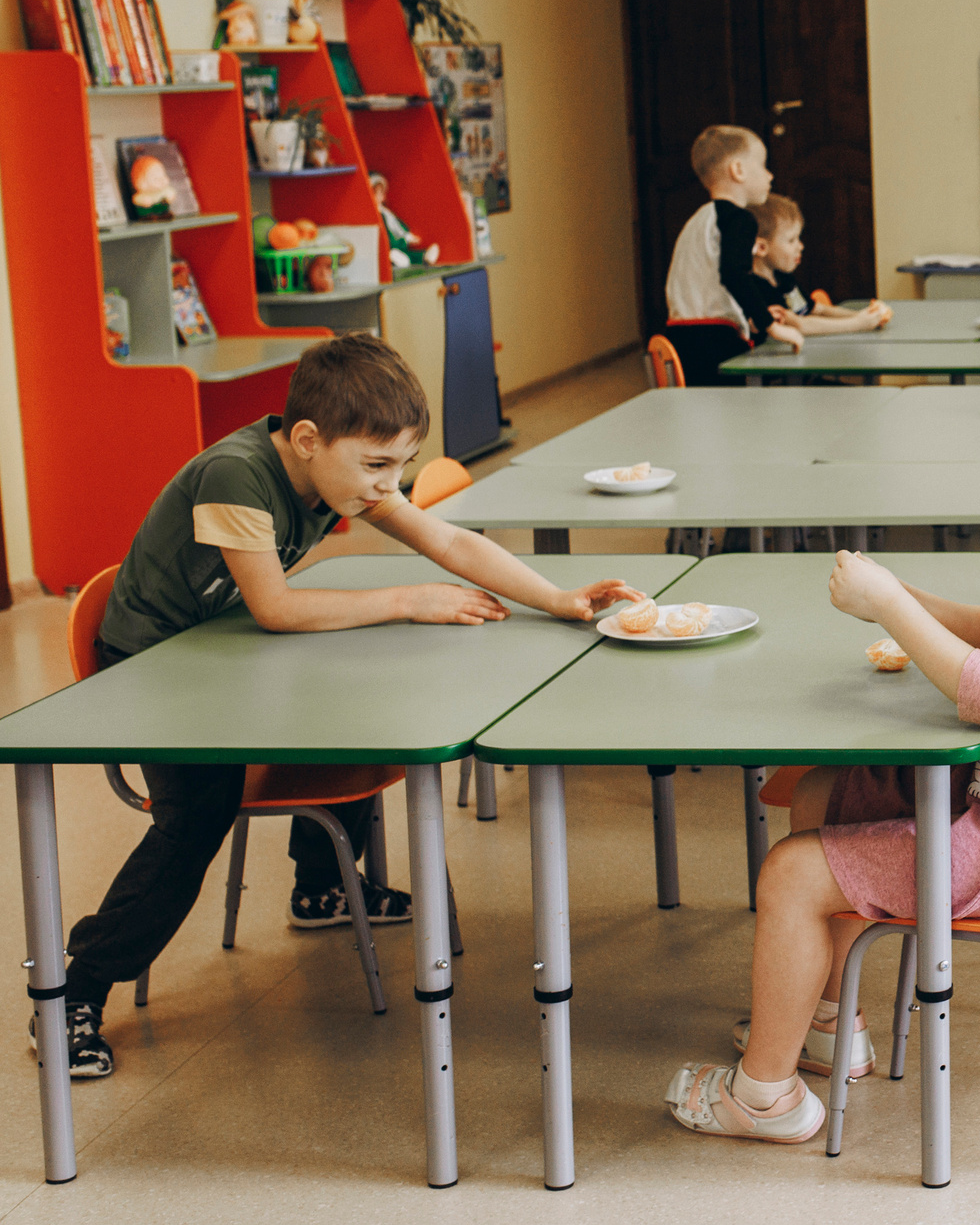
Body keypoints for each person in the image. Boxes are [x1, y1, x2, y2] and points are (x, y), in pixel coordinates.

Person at [48, 336, 636, 1080]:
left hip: (221, 654)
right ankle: (77, 988)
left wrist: (557, 598)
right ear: (306, 440)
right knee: (197, 815)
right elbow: (275, 608)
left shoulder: (338, 471)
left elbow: (447, 539)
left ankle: (320, 884)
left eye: (400, 465)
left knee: (360, 713)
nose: (389, 485)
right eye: (378, 465)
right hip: (154, 672)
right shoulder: (236, 475)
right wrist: (406, 599)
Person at [669, 321, 980, 1142]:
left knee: (793, 875)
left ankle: (761, 1096)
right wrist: (904, 596)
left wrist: (892, 608)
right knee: (828, 789)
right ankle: (834, 1022)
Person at [662, 125, 781, 385]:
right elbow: (733, 273)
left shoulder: (697, 220)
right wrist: (770, 323)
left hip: (678, 337)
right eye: (762, 165)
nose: (770, 176)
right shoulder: (739, 219)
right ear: (738, 170)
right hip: (716, 340)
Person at [735, 196, 891, 342]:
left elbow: (817, 309)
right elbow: (800, 325)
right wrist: (858, 323)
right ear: (761, 247)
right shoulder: (752, 288)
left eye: (799, 238)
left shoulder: (784, 278)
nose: (800, 246)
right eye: (791, 240)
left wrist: (865, 316)